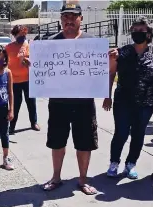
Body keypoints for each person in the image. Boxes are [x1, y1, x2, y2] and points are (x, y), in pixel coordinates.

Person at [41, 3, 118, 195]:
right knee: (57, 142)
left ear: (80, 19)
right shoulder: (51, 42)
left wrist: (111, 62)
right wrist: (32, 67)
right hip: (58, 103)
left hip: (84, 103)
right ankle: (56, 177)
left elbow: (105, 72)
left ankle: (83, 180)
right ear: (60, 19)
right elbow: (42, 73)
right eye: (65, 16)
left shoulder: (93, 43)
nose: (69, 20)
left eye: (73, 16)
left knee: (84, 143)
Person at [103, 16, 153, 179]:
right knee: (121, 133)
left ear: (148, 33)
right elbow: (111, 73)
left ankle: (131, 164)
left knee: (138, 134)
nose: (137, 33)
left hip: (146, 103)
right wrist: (107, 95)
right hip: (123, 101)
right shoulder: (121, 52)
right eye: (134, 30)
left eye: (141, 30)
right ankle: (114, 163)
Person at [6, 25, 40, 134]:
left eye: (24, 34)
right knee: (15, 104)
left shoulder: (29, 45)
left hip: (28, 80)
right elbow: (4, 62)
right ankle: (12, 126)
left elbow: (36, 60)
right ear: (14, 35)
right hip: (14, 81)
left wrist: (28, 60)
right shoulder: (8, 47)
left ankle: (34, 122)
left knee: (31, 102)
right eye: (20, 35)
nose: (22, 37)